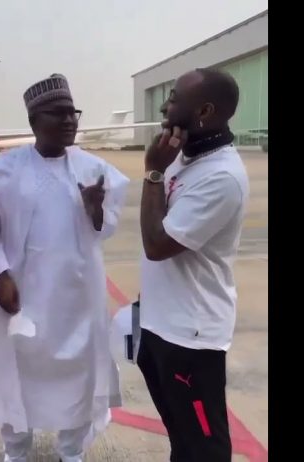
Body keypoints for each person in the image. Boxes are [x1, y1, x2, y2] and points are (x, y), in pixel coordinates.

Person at [0, 73, 128, 462]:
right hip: (19, 296)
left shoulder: (94, 169)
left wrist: (95, 211)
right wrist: (0, 274)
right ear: (33, 121)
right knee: (15, 371)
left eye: (72, 113)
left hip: (77, 300)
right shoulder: (3, 172)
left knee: (80, 375)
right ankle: (16, 451)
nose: (69, 121)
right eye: (58, 113)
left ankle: (71, 451)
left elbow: (106, 229)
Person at [137, 68, 248, 462]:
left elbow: (157, 244)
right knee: (183, 442)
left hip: (191, 340)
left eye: (173, 98)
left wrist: (153, 172)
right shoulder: (183, 158)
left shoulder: (222, 177)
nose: (165, 107)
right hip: (159, 328)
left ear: (204, 111)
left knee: (204, 450)